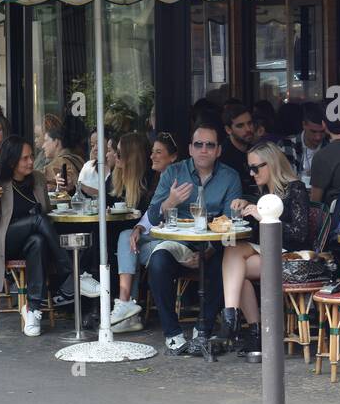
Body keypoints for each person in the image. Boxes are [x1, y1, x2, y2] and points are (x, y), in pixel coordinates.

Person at [144, 121, 241, 360]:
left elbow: (230, 224)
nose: (204, 150)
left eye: (210, 145)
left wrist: (208, 249)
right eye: (199, 144)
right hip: (179, 244)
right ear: (190, 148)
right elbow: (154, 216)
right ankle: (173, 334)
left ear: (218, 150)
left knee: (226, 261)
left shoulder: (230, 177)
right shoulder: (173, 173)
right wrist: (171, 201)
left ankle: (203, 330)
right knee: (158, 261)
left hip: (213, 245)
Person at [0, 136, 75, 336]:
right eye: (25, 158)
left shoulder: (37, 179)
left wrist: (64, 189)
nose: (30, 162)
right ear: (12, 162)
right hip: (3, 243)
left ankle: (33, 310)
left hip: (29, 242)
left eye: (31, 157)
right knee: (37, 220)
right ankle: (69, 271)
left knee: (37, 241)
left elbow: (46, 211)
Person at [219, 142, 312, 355]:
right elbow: (256, 236)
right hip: (271, 255)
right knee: (235, 266)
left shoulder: (295, 188)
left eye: (256, 168)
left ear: (271, 164)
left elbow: (300, 234)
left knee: (234, 257)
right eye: (249, 168)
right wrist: (245, 209)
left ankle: (234, 320)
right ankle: (254, 332)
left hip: (293, 260)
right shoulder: (264, 192)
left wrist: (266, 218)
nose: (251, 173)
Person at [112, 133, 178, 325]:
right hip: (156, 237)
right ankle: (126, 305)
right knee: (127, 237)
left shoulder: (175, 178)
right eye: (152, 152)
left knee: (129, 245)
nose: (152, 156)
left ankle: (127, 311)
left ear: (173, 157)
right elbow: (151, 215)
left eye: (158, 152)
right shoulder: (158, 177)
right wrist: (139, 228)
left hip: (173, 242)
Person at [280, 101, 329, 183]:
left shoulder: (330, 147)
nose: (318, 137)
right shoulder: (286, 145)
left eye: (322, 131)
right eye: (313, 131)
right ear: (304, 125)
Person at [220, 103, 258, 196]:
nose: (248, 129)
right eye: (240, 126)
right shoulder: (221, 155)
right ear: (228, 130)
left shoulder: (257, 151)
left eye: (250, 123)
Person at [41, 118, 85, 190]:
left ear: (56, 142)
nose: (43, 146)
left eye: (46, 141)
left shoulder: (60, 162)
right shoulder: (78, 159)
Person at [76, 132, 118, 197]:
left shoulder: (118, 170)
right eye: (92, 145)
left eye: (98, 143)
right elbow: (78, 194)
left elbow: (107, 196)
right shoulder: (88, 166)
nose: (95, 149)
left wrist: (80, 184)